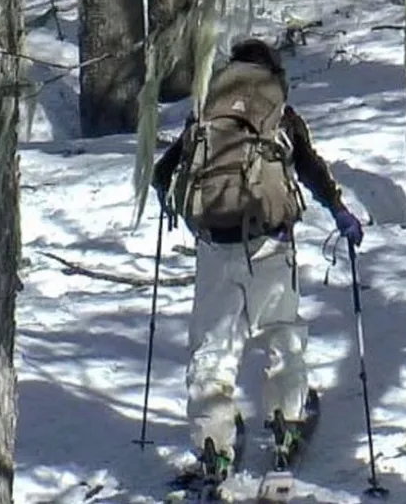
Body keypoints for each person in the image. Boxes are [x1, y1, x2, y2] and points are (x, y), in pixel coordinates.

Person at [152, 38, 364, 483]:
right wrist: (339, 210)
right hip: (271, 242)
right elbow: (307, 165)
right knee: (280, 330)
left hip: (214, 244)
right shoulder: (278, 112)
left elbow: (161, 172)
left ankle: (216, 445)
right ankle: (288, 421)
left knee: (213, 348)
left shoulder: (206, 109)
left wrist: (170, 202)